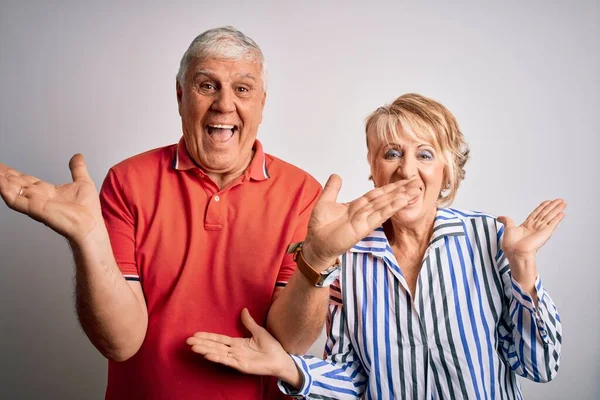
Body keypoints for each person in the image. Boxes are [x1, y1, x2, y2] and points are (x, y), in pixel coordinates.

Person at [0, 27, 423, 399]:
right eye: (207, 86)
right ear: (181, 96)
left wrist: (316, 260)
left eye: (242, 89)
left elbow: (289, 342)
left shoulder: (302, 193)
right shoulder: (127, 181)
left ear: (261, 103)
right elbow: (121, 343)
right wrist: (88, 239)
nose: (224, 104)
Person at [187, 93, 565, 399]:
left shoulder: (489, 238)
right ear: (373, 167)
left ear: (447, 170)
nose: (406, 170)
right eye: (392, 153)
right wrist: (287, 367)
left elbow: (540, 367)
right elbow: (353, 379)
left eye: (425, 154)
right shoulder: (348, 259)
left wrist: (524, 267)